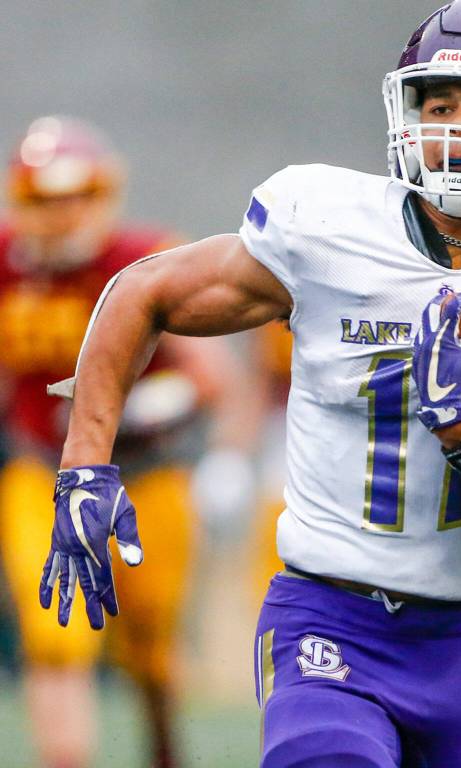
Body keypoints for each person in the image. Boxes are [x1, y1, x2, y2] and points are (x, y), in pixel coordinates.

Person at [39, 2, 461, 766]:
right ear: (406, 112)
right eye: (440, 107)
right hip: (329, 618)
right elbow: (144, 291)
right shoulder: (328, 225)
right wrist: (84, 465)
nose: (459, 130)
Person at [0, 116, 242, 768]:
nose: (62, 214)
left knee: (152, 647)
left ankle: (163, 746)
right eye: (45, 200)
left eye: (75, 195)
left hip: (145, 474)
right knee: (54, 633)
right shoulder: (5, 264)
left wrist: (208, 447)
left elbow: (211, 379)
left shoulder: (143, 259)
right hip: (42, 471)